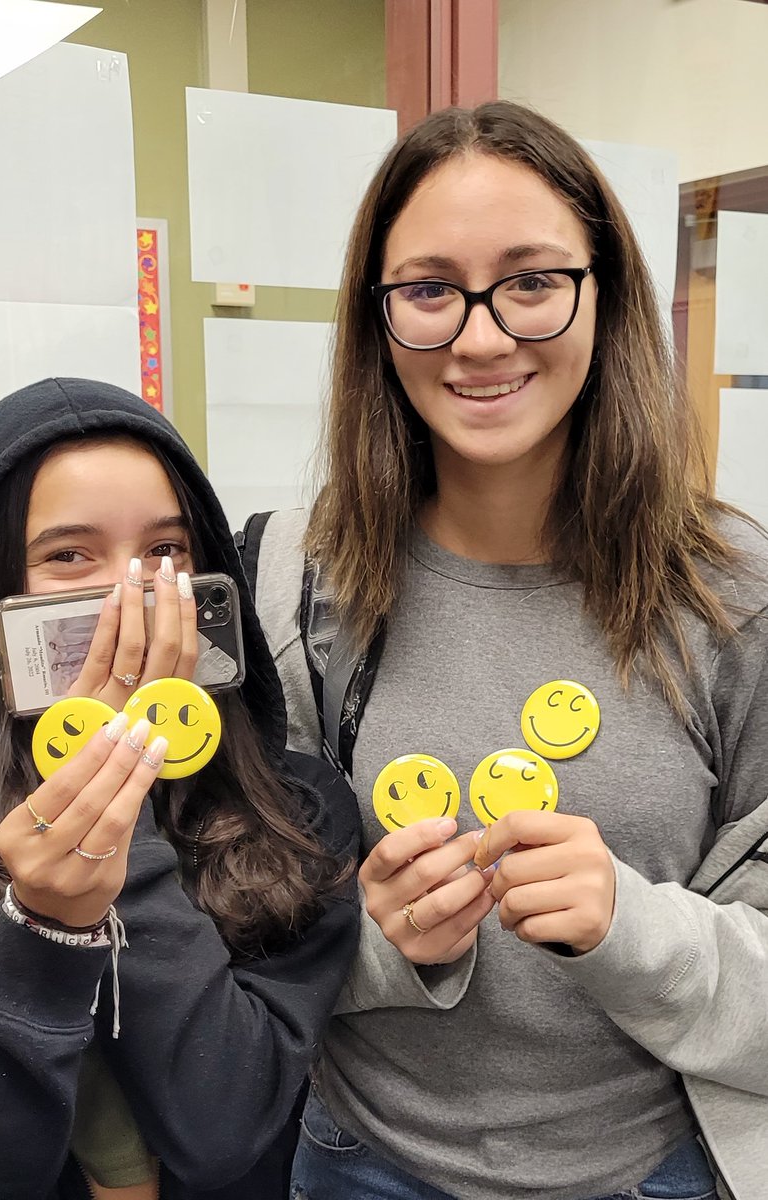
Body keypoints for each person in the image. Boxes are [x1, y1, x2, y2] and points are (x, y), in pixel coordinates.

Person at [251, 102, 768, 1200]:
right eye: (430, 290)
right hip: (357, 1166)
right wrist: (381, 938)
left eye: (531, 280)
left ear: (606, 294)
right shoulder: (306, 587)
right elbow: (251, 927)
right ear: (377, 320)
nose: (480, 338)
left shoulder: (732, 597)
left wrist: (632, 927)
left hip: (650, 1172)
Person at [0, 378, 360, 1200]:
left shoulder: (293, 810)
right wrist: (43, 934)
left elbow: (222, 1130)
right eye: (67, 556)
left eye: (167, 552)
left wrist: (128, 823)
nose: (132, 596)